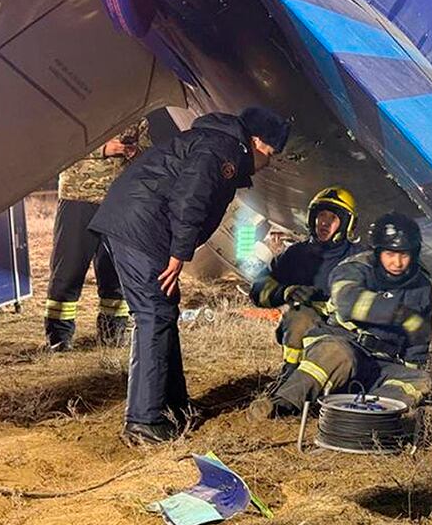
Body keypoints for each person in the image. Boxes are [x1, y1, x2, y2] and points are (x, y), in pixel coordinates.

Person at [89, 107, 290, 445]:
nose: (269, 162)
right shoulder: (222, 150)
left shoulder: (216, 143)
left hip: (139, 223)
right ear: (256, 142)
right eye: (270, 152)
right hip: (141, 227)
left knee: (164, 311)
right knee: (153, 315)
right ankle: (144, 421)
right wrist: (179, 253)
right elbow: (191, 197)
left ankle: (174, 407)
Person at [268, 212, 432, 417]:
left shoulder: (422, 285)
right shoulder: (354, 268)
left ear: (414, 254)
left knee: (420, 379)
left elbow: (419, 339)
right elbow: (347, 302)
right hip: (343, 343)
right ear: (378, 251)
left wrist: (412, 366)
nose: (397, 263)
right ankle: (281, 404)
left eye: (404, 255)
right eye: (390, 254)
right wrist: (398, 313)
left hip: (381, 362)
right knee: (337, 353)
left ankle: (364, 417)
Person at [45, 119, 150, 351]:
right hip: (78, 197)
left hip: (118, 201)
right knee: (68, 269)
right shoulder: (79, 111)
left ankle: (113, 334)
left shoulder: (136, 115)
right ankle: (59, 338)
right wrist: (103, 149)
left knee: (115, 271)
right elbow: (59, 144)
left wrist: (136, 152)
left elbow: (148, 151)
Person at [249, 187, 361, 382]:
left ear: (346, 224)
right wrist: (285, 292)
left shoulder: (360, 259)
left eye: (333, 218)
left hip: (346, 334)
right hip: (304, 329)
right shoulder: (296, 254)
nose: (325, 222)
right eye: (321, 215)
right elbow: (258, 289)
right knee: (299, 318)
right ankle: (290, 374)